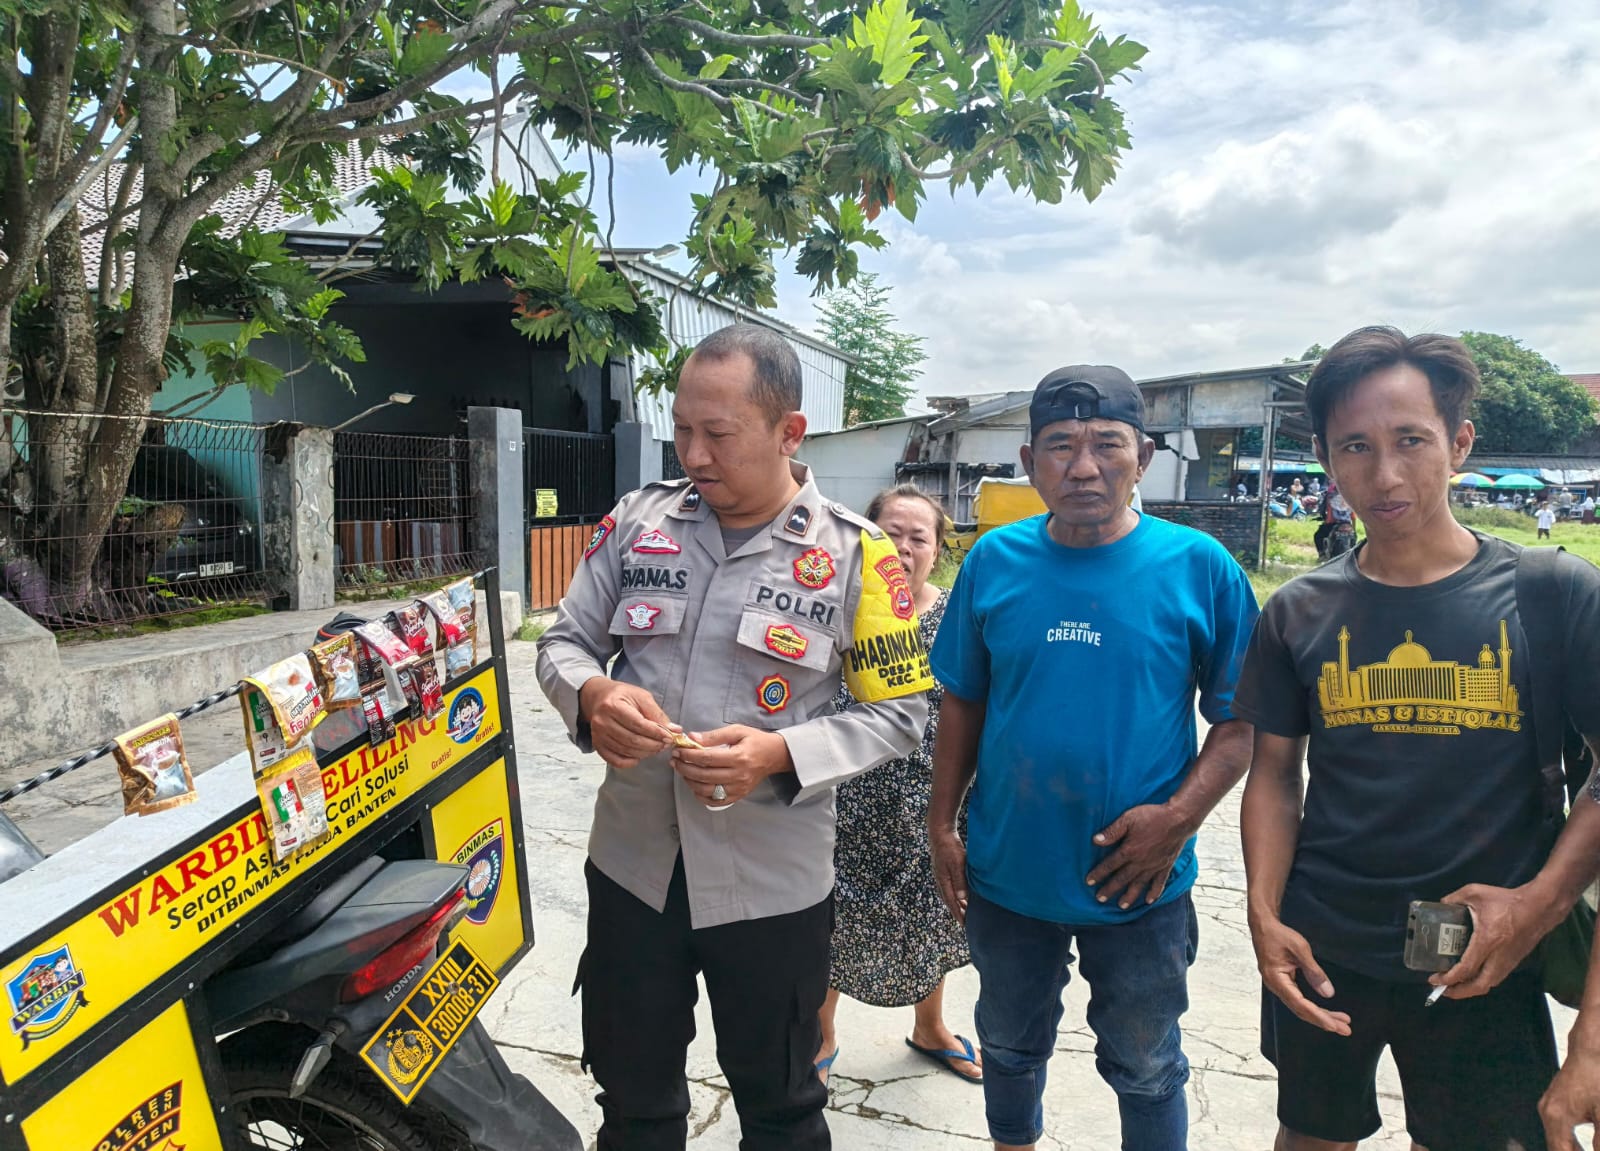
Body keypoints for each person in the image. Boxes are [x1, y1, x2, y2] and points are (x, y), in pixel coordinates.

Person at [535, 324, 932, 1151]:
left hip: (771, 887)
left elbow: (900, 715)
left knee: (782, 1107)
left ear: (790, 432)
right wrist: (594, 694)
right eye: (683, 429)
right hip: (634, 869)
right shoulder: (638, 522)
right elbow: (562, 642)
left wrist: (778, 754)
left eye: (718, 433)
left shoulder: (858, 555)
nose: (693, 454)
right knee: (633, 1100)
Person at [1234, 325, 1600, 1151]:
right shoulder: (1298, 611)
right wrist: (1262, 910)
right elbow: (1275, 772)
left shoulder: (1550, 594)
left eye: (1411, 440)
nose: (1385, 475)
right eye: (1355, 447)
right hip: (1324, 940)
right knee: (1311, 1133)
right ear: (1325, 458)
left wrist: (1538, 906)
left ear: (1459, 442)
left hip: (1487, 950)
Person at [926, 364, 1259, 1151]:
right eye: (1060, 446)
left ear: (1143, 457)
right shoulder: (993, 562)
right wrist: (942, 823)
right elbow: (964, 700)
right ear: (1028, 460)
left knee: (1146, 1065)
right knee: (1008, 1045)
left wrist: (1178, 819)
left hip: (1141, 883)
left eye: (1107, 444)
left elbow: (1244, 719)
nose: (1083, 467)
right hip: (1011, 871)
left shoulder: (1200, 567)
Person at [818, 484, 980, 1085]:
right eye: (891, 535)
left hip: (935, 802)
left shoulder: (957, 615)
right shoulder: (839, 605)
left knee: (934, 914)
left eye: (920, 537)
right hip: (846, 798)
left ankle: (930, 1028)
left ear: (937, 551)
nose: (905, 548)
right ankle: (821, 1035)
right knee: (831, 920)